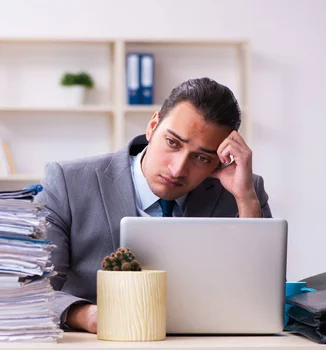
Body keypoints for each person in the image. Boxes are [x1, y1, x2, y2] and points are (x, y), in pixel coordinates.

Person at [33, 77, 272, 333]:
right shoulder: (67, 182)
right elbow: (31, 287)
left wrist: (246, 201)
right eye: (173, 143)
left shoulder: (243, 192)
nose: (178, 169)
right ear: (153, 125)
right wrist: (88, 316)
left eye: (202, 158)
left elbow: (264, 297)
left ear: (219, 161)